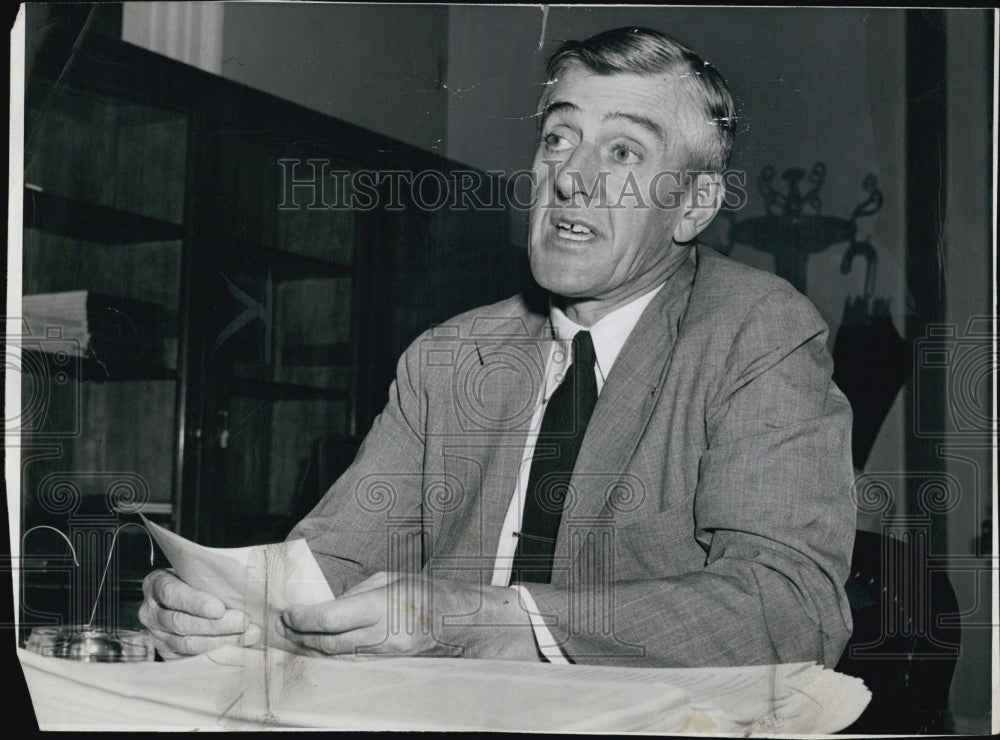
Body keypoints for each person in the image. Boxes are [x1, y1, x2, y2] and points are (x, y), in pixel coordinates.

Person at [140, 26, 855, 667]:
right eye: (558, 137)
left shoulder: (757, 330)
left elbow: (790, 607)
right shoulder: (450, 356)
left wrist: (485, 620)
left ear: (694, 205)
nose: (572, 176)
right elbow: (331, 562)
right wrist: (219, 608)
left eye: (624, 151)